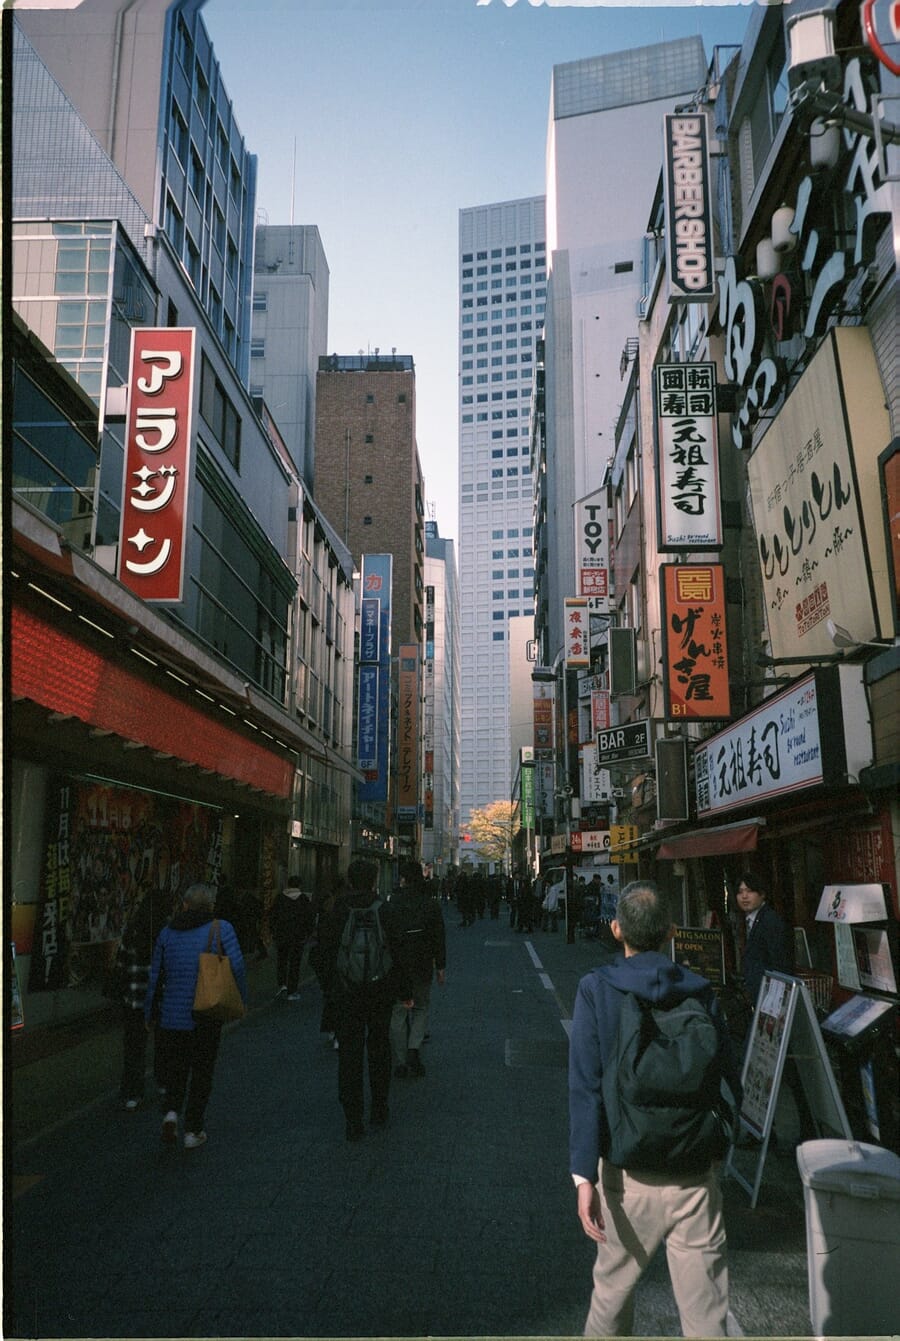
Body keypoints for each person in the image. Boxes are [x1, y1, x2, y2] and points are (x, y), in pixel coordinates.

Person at [569, 880, 742, 1338]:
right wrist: (723, 1142)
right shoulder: (701, 990)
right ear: (670, 932)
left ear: (616, 930)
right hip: (693, 1171)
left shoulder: (596, 989)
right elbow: (728, 1073)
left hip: (627, 1175)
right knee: (706, 1313)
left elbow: (585, 1086)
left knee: (611, 1299)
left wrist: (583, 1174)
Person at [144, 882, 247, 1150]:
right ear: (211, 905)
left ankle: (170, 1113)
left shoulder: (167, 933)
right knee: (202, 1072)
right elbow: (237, 966)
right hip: (206, 1014)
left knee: (175, 1070)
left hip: (170, 1017)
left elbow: (155, 976)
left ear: (185, 904)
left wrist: (149, 1013)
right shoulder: (221, 928)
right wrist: (241, 1001)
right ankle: (193, 1129)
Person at [318, 859, 405, 1141]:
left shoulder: (336, 911)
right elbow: (400, 952)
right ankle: (379, 1106)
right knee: (379, 1047)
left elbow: (321, 954)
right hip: (381, 991)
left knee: (349, 1053)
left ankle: (352, 1118)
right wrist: (403, 992)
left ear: (350, 880)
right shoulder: (386, 910)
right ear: (373, 879)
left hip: (346, 992)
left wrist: (330, 987)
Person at [389, 860, 446, 1078]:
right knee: (420, 1007)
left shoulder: (393, 902)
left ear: (403, 878)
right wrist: (440, 965)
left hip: (398, 964)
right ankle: (414, 1047)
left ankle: (401, 1061)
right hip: (422, 963)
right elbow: (438, 937)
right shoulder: (429, 903)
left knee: (398, 1010)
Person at [115, 887, 167, 1109]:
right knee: (163, 1042)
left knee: (134, 1045)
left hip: (134, 997)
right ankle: (163, 1082)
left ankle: (132, 1092)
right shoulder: (165, 931)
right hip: (160, 997)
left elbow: (121, 963)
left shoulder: (132, 929)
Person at [736, 870, 794, 1007]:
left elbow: (780, 962)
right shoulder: (752, 919)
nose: (744, 896)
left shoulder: (769, 920)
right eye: (740, 891)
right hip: (759, 995)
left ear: (762, 894)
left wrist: (775, 999)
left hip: (770, 998)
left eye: (749, 891)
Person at [272, 884, 315, 1000]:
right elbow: (309, 916)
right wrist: (309, 932)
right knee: (295, 963)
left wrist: (273, 932)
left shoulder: (280, 898)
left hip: (282, 934)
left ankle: (282, 984)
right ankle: (292, 990)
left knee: (282, 960)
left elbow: (273, 915)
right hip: (298, 936)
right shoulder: (303, 899)